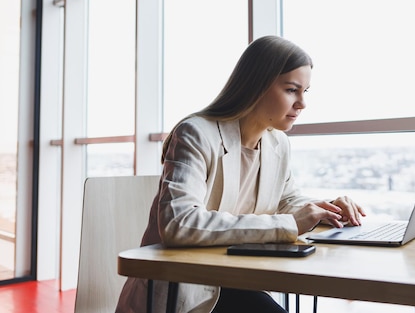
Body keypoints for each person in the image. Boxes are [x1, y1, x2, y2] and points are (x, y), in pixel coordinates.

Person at [116, 35, 366, 313]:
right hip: (185, 291)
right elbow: (180, 223)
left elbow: (287, 201)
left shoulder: (277, 144)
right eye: (292, 90)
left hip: (232, 283)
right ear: (256, 86)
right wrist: (289, 225)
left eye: (305, 91)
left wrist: (326, 210)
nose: (302, 103)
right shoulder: (196, 134)